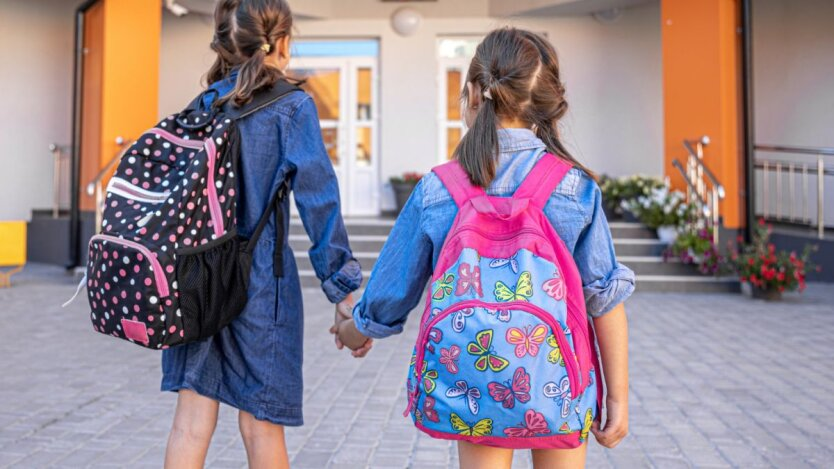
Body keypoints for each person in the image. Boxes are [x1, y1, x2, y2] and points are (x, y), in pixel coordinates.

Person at [334, 28, 634, 469]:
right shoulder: (572, 187)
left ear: (474, 93)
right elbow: (605, 299)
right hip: (560, 383)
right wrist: (619, 400)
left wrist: (351, 331)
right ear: (544, 100)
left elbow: (390, 293)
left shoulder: (439, 189)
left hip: (474, 376)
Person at [161, 1, 368, 467]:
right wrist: (344, 290)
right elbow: (319, 200)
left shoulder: (201, 106)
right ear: (283, 43)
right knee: (260, 425)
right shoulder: (292, 106)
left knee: (189, 421)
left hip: (195, 280)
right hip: (260, 286)